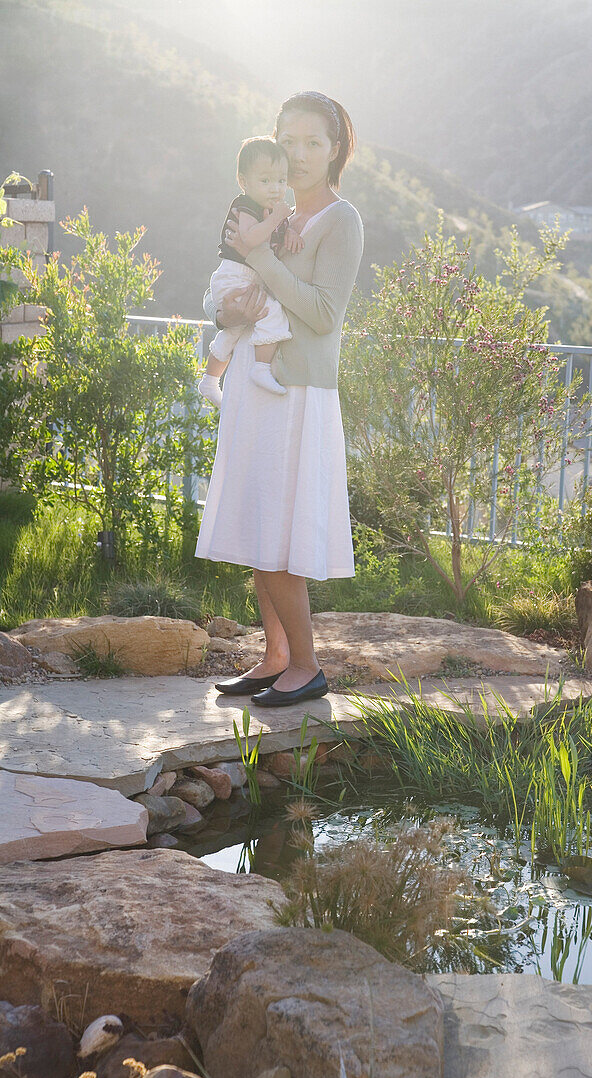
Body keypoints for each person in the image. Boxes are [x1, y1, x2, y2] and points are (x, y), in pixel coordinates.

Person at [195, 90, 364, 707]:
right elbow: (232, 290)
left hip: (296, 391)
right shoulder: (269, 209)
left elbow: (323, 313)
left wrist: (260, 257)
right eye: (287, 140)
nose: (297, 154)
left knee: (282, 534)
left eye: (312, 142)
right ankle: (275, 658)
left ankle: (308, 666)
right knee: (258, 526)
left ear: (335, 148)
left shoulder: (341, 221)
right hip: (253, 380)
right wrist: (228, 305)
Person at [197, 136, 305, 408]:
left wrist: (288, 230)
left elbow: (274, 235)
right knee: (273, 315)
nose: (275, 188)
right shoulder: (245, 205)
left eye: (281, 181)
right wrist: (279, 218)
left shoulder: (269, 212)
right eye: (265, 181)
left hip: (245, 278)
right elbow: (251, 238)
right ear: (244, 181)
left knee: (233, 332)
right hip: (234, 276)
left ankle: (209, 382)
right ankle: (261, 369)